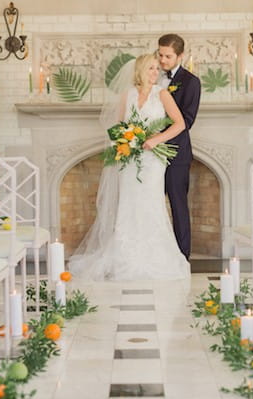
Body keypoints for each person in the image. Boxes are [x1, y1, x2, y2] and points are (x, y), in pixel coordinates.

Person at [68, 53, 190, 281]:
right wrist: (125, 141)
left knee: (151, 204)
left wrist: (156, 140)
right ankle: (123, 257)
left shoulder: (162, 94)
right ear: (140, 71)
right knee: (128, 204)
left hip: (153, 160)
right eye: (151, 68)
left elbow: (180, 124)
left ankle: (155, 257)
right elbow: (118, 127)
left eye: (157, 69)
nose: (156, 73)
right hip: (130, 160)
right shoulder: (128, 95)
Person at [157, 33, 201, 261]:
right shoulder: (152, 77)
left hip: (177, 153)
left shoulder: (191, 82)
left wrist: (158, 135)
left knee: (178, 205)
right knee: (152, 204)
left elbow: (187, 121)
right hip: (152, 155)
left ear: (180, 56)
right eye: (160, 54)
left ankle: (182, 257)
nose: (162, 60)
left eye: (168, 56)